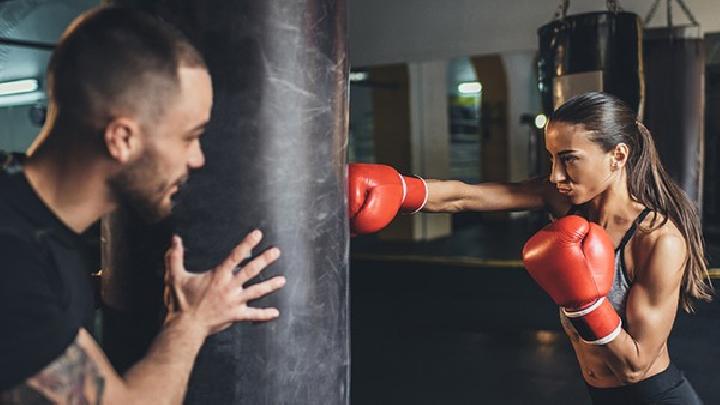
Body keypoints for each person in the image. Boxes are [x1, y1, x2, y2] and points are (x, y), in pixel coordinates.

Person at [0, 6, 286, 404]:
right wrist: (193, 322)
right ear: (122, 140)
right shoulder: (12, 259)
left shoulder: (38, 233)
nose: (197, 158)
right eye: (189, 137)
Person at [350, 92, 711, 404]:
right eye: (552, 158)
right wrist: (398, 189)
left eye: (569, 158)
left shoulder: (657, 239)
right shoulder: (563, 200)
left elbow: (636, 367)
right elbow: (466, 196)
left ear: (617, 155)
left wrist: (585, 306)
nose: (555, 175)